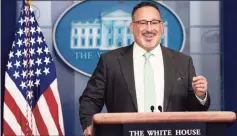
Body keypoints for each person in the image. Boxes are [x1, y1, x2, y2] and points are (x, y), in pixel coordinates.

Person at [79, 1, 210, 136]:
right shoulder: (110, 61)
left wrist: (200, 95)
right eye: (142, 23)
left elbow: (194, 108)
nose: (149, 29)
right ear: (132, 27)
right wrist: (89, 125)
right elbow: (90, 100)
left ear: (161, 27)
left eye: (154, 22)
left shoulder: (183, 62)